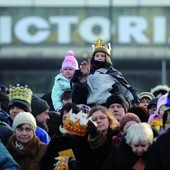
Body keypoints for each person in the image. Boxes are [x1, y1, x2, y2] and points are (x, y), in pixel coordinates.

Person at [71, 38, 138, 107]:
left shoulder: (113, 73)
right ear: (93, 58)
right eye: (97, 56)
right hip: (88, 108)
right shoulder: (85, 72)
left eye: (102, 56)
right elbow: (75, 95)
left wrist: (134, 105)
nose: (99, 58)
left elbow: (127, 90)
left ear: (107, 58)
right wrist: (83, 76)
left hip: (106, 107)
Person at [86, 105, 120, 170]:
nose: (98, 121)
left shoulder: (116, 135)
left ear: (109, 120)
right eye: (94, 119)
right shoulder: (86, 140)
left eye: (102, 118)